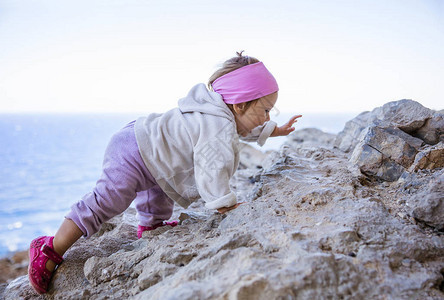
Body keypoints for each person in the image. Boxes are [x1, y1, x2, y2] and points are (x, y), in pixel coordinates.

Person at [27, 51, 302, 294]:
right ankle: (50, 248)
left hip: (151, 152)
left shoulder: (222, 112)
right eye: (265, 110)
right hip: (133, 151)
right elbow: (212, 166)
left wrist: (273, 130)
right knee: (108, 200)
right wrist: (225, 205)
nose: (268, 116)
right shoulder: (217, 125)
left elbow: (243, 128)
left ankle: (151, 226)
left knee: (160, 193)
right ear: (240, 104)